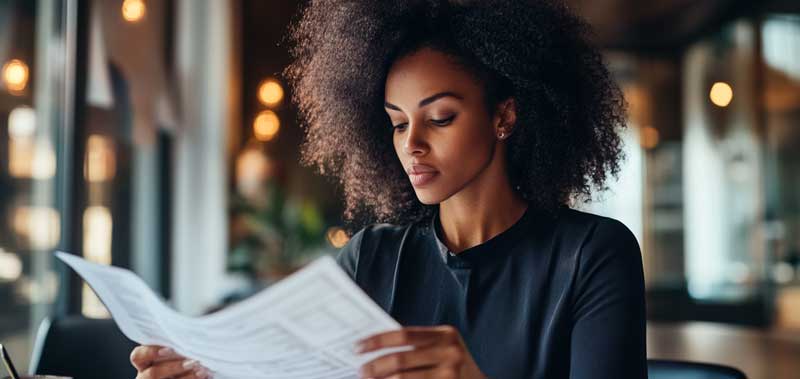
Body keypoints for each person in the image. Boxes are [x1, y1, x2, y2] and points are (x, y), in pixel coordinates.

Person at [130, 0, 646, 378]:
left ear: (504, 116)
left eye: (440, 118)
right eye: (398, 124)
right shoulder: (372, 257)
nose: (412, 145)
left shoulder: (593, 254)